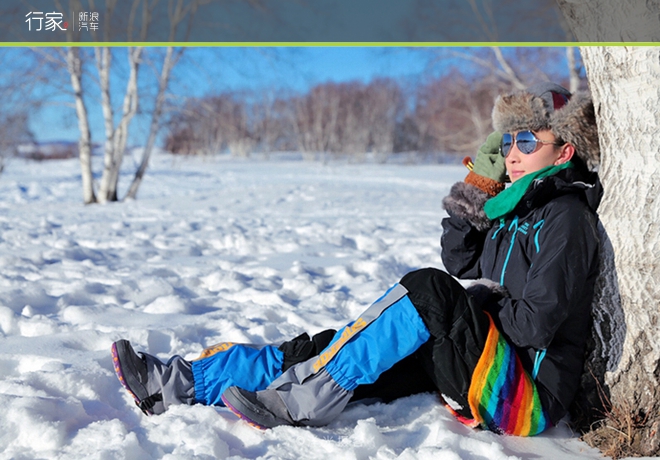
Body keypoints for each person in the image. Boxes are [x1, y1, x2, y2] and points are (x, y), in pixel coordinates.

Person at [111, 82, 602, 436]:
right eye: (505, 142)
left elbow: (535, 325)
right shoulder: (513, 211)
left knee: (427, 291)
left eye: (527, 141)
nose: (512, 154)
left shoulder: (565, 217)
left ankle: (302, 402)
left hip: (524, 395)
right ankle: (180, 383)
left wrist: (475, 305)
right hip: (482, 365)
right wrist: (475, 193)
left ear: (564, 152)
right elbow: (460, 257)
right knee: (346, 346)